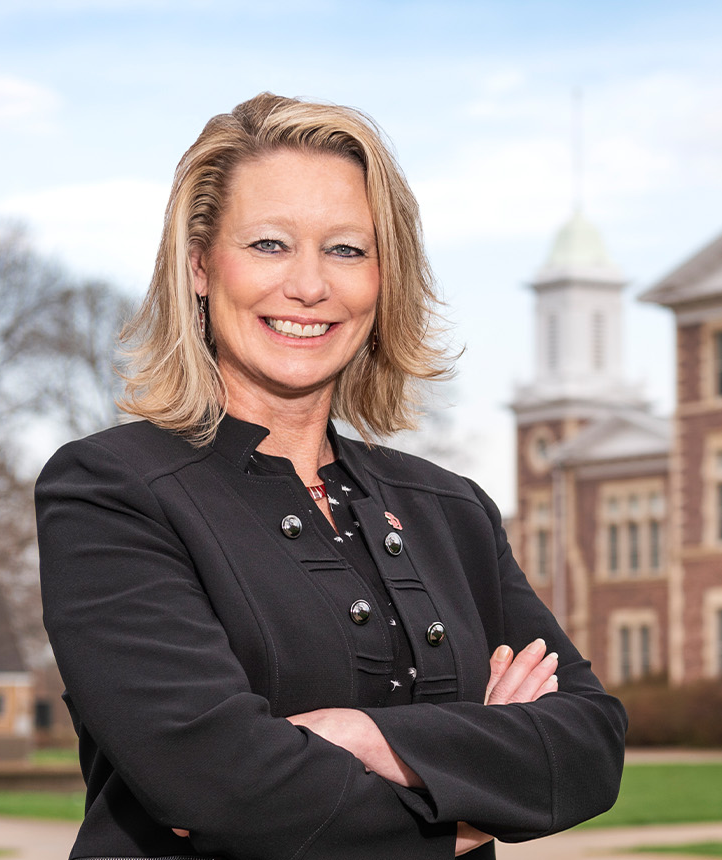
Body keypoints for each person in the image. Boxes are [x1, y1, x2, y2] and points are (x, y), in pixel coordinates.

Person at [36, 93, 626, 860]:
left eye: (346, 250)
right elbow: (219, 786)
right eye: (270, 244)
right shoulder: (112, 491)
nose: (310, 286)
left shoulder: (452, 511)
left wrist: (367, 736)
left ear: (385, 278)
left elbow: (588, 745)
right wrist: (471, 799)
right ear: (200, 266)